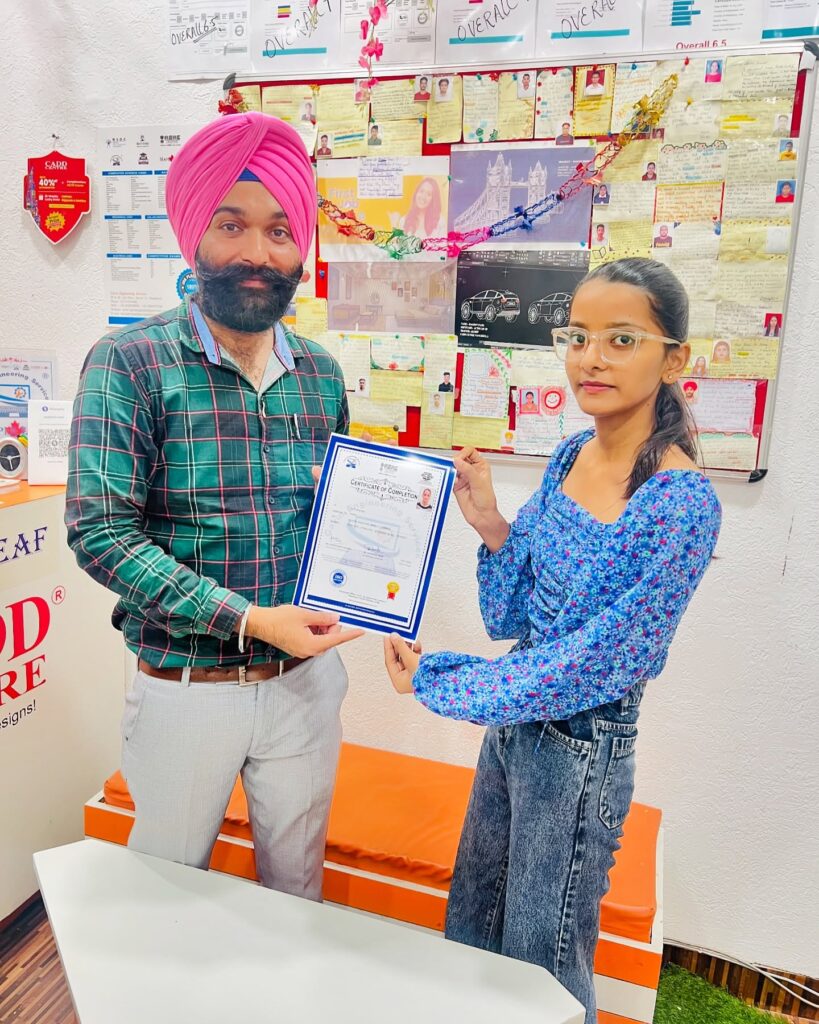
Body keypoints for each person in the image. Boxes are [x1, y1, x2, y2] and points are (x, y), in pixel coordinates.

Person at [382, 257, 721, 1024]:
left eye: (621, 339)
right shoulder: (572, 453)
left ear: (673, 360)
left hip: (580, 747)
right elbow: (515, 617)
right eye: (576, 336)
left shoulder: (680, 503)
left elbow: (591, 664)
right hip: (515, 727)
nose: (590, 358)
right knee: (473, 920)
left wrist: (440, 680)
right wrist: (489, 523)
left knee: (544, 961)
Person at [66, 112, 364, 904]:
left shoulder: (320, 374)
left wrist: (382, 593)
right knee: (166, 895)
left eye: (279, 230)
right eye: (231, 225)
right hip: (185, 688)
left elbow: (338, 522)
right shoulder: (130, 361)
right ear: (194, 234)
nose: (256, 253)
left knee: (297, 892)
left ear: (301, 247)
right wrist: (249, 619)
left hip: (306, 683)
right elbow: (99, 534)